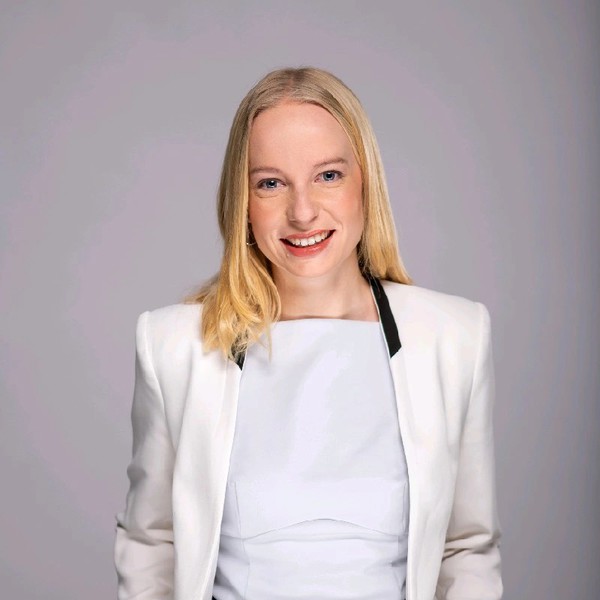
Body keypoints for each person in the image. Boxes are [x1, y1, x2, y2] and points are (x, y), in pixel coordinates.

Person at [114, 66, 502, 600]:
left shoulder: (454, 337)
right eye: (270, 183)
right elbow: (151, 541)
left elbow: (466, 547)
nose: (302, 212)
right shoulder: (174, 347)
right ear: (242, 202)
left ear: (366, 182)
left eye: (328, 175)